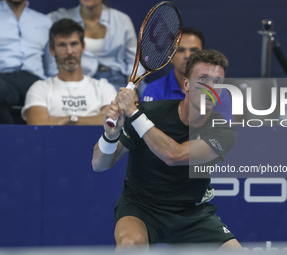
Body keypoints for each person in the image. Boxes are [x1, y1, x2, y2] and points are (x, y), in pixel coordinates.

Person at [91, 50, 241, 249]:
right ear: (186, 84)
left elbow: (174, 155)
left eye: (218, 81)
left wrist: (133, 114)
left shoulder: (223, 131)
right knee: (129, 245)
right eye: (203, 79)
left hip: (191, 214)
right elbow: (99, 164)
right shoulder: (151, 112)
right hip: (142, 208)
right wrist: (110, 136)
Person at [21, 19, 116, 125]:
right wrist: (94, 118)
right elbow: (38, 123)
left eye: (74, 44)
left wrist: (67, 120)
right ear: (52, 50)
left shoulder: (103, 88)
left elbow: (111, 123)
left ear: (83, 47)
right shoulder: (40, 88)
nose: (69, 51)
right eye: (62, 45)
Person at [48, 0, 144, 92]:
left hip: (118, 82)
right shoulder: (58, 18)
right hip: (77, 81)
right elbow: (51, 65)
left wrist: (132, 89)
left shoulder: (122, 20)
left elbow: (134, 61)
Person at [141, 27, 233, 122]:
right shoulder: (153, 90)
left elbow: (224, 130)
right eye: (181, 50)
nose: (187, 56)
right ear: (170, 57)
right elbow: (147, 131)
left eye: (194, 50)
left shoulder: (219, 91)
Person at [0, 0, 57, 124]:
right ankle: (10, 140)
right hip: (2, 80)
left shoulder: (44, 22)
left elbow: (51, 65)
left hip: (35, 80)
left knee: (60, 94)